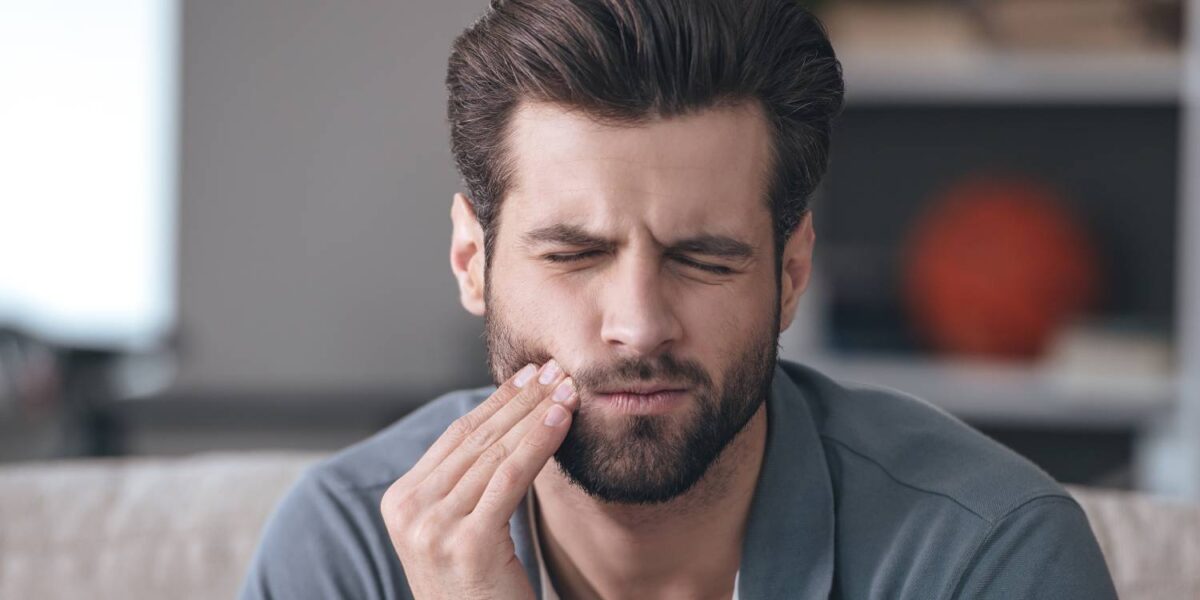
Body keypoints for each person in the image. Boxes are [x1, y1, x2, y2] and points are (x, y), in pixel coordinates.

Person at [239, 0, 1118, 598]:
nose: (639, 323)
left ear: (791, 274)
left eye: (702, 259)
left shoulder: (983, 553)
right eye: (575, 254)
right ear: (472, 261)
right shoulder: (348, 552)